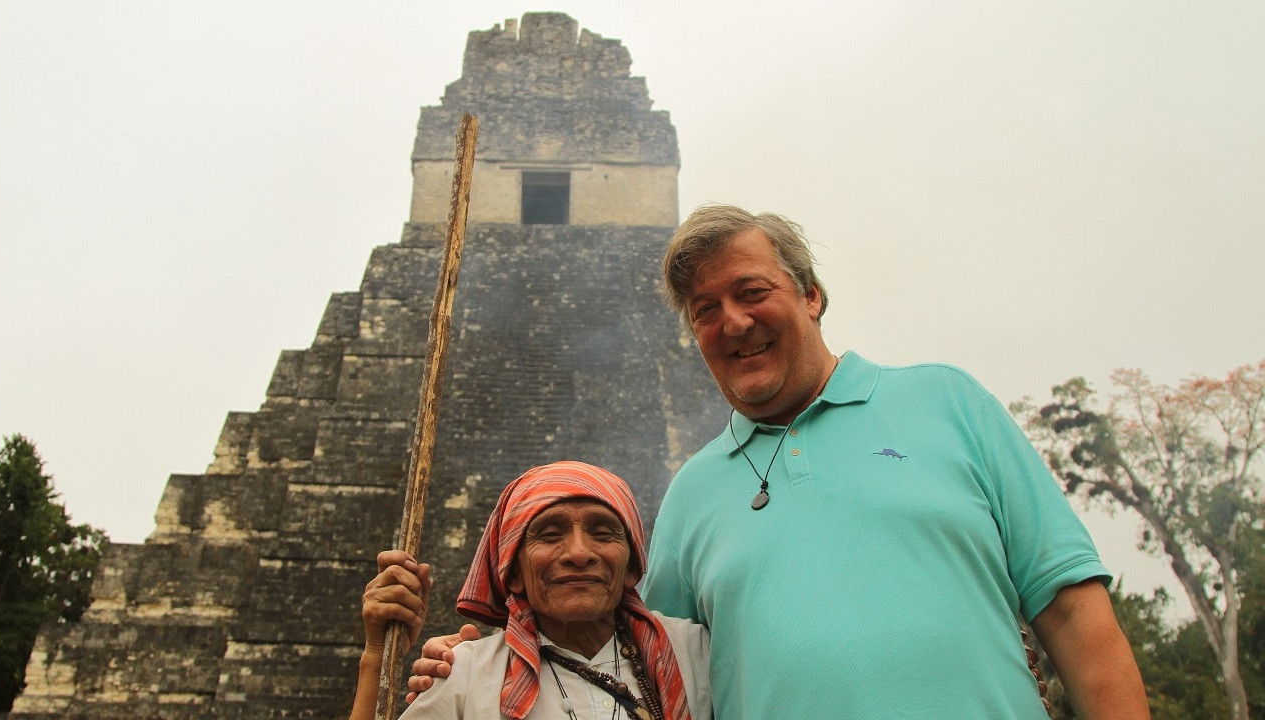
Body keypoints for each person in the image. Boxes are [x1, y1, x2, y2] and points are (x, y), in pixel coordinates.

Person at [411, 205, 1150, 719]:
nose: (731, 321)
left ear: (812, 295)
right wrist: (476, 656)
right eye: (704, 309)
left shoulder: (946, 403)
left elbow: (1072, 609)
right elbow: (625, 646)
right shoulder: (695, 490)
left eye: (752, 291)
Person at [352, 460, 711, 720]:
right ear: (513, 573)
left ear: (632, 568)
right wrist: (378, 655)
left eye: (603, 534)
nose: (579, 554)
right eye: (550, 535)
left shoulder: (695, 651)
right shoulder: (465, 674)